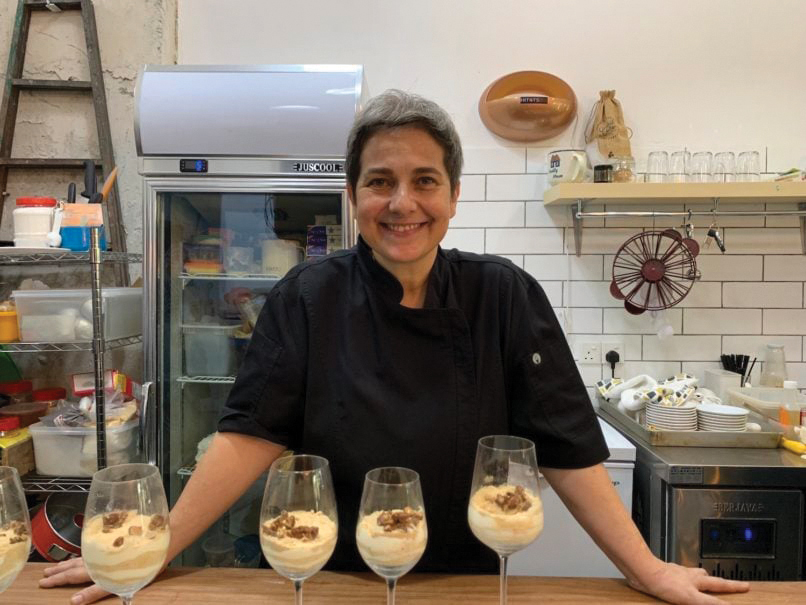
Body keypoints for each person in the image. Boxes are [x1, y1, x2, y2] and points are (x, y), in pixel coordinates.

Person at [41, 90, 750, 604]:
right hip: (334, 580)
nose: (402, 203)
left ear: (453, 196)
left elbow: (568, 447)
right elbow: (248, 436)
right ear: (354, 197)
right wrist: (158, 547)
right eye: (380, 182)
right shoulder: (307, 298)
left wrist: (646, 568)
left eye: (424, 181)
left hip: (468, 583)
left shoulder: (503, 295)